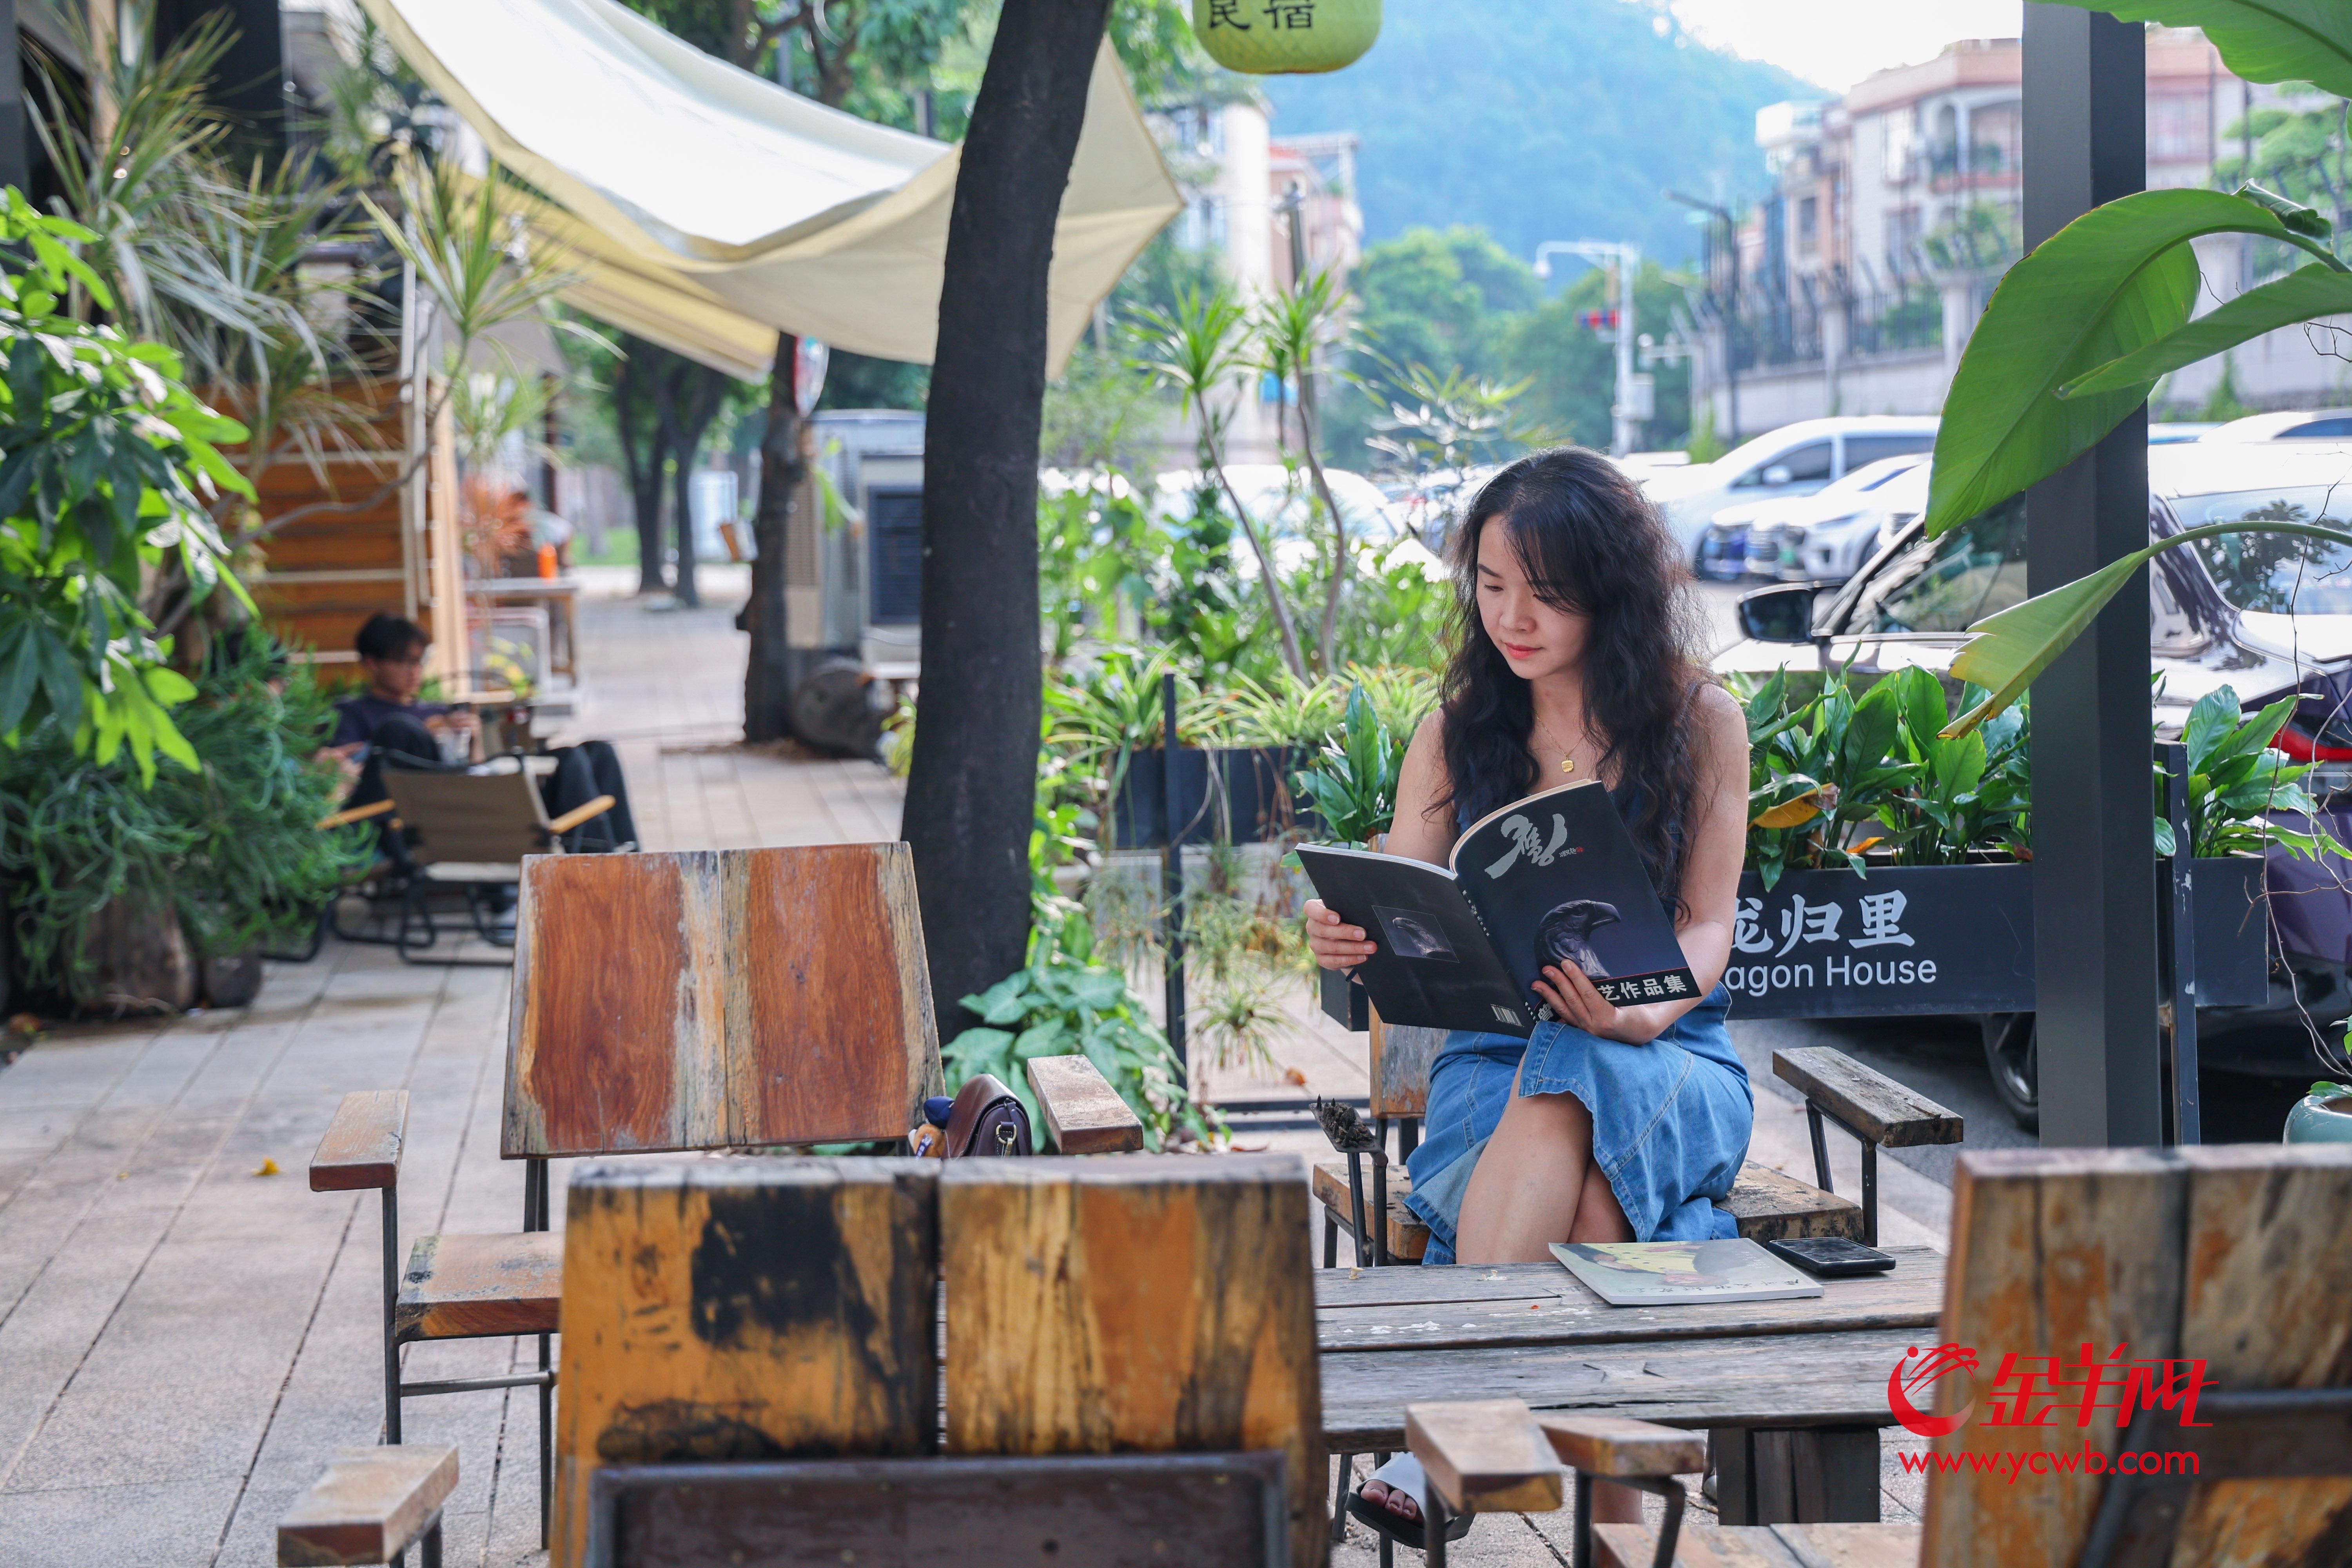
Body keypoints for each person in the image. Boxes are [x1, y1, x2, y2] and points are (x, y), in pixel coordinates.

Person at [1304, 448, 1753, 1544]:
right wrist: (1347, 935)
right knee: (1594, 1207)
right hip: (1495, 1068)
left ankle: (1446, 1438)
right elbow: (1403, 897)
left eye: (1546, 593)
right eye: (1493, 585)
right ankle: (1614, 1533)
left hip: (1671, 1057)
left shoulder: (1701, 721)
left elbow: (1710, 922)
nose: (1513, 618)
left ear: (1613, 591)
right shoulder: (1458, 735)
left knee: (1585, 1065)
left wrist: (1644, 1013)